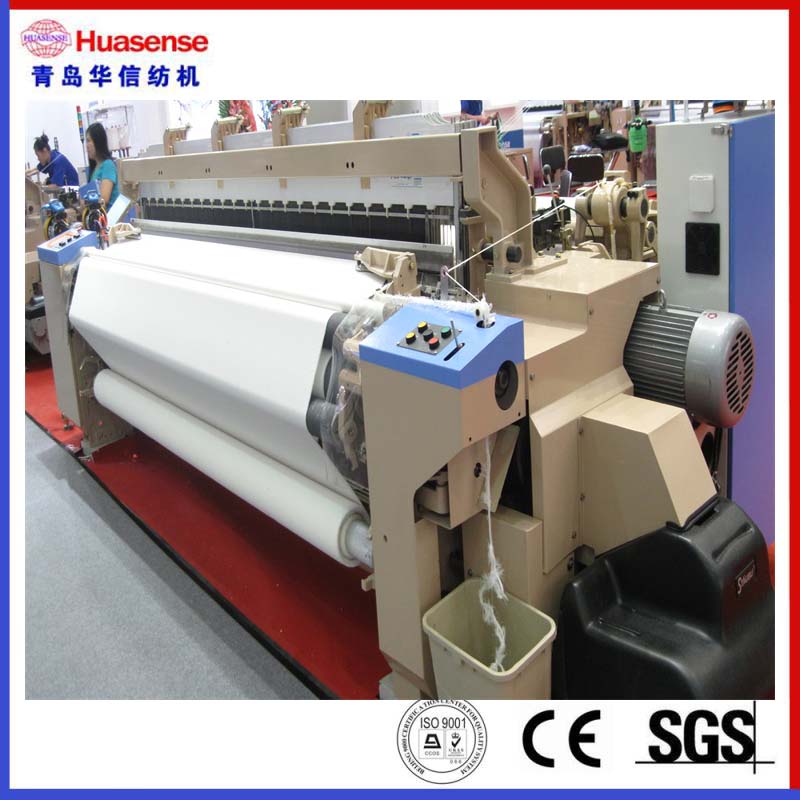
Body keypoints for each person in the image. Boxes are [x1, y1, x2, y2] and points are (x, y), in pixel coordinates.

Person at [86, 122, 119, 207]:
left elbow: (104, 199)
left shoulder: (108, 165)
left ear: (98, 142)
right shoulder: (94, 168)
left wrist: (85, 201)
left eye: (89, 141)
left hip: (107, 214)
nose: (87, 146)